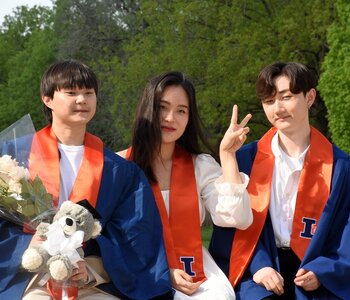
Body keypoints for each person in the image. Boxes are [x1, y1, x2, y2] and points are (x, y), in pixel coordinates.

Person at [0, 59, 172, 299]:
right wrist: (26, 247)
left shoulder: (119, 171)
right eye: (71, 92)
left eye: (88, 93)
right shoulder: (12, 158)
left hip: (90, 283)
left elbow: (136, 235)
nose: (81, 100)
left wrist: (91, 268)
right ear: (47, 99)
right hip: (30, 279)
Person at [209, 61, 350, 299]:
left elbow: (347, 231)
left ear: (310, 97)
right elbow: (231, 226)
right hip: (261, 264)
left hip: (316, 267)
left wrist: (323, 271)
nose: (278, 108)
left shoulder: (340, 167)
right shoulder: (246, 159)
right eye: (269, 101)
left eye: (286, 97)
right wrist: (259, 266)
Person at [118, 71, 253, 299]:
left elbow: (237, 217)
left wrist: (227, 155)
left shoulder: (199, 166)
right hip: (138, 269)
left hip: (194, 272)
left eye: (181, 111)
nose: (171, 118)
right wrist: (163, 272)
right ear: (147, 110)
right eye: (163, 107)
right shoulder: (120, 167)